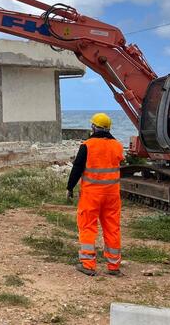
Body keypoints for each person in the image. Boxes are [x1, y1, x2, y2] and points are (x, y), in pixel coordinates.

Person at [66, 113, 124, 276]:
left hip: (92, 194)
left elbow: (77, 167)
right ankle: (114, 266)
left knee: (87, 226)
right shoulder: (117, 145)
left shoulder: (87, 145)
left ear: (93, 127)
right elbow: (119, 161)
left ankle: (88, 264)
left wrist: (70, 187)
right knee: (112, 228)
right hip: (112, 195)